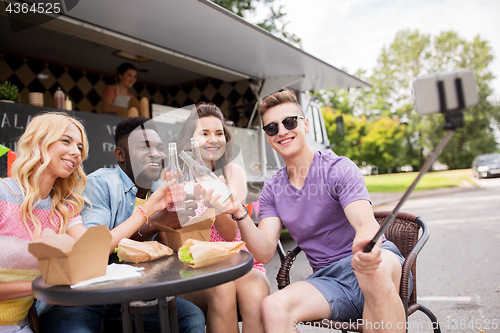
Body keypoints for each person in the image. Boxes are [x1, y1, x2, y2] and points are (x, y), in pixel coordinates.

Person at [205, 90, 407, 333]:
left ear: (306, 124)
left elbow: (365, 223)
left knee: (374, 273)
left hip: (374, 260)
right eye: (271, 128)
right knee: (272, 306)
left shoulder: (338, 168)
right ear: (268, 137)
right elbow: (265, 251)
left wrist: (365, 245)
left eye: (289, 122)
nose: (281, 131)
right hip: (329, 281)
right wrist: (239, 212)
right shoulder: (272, 189)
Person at [38, 117, 205, 333]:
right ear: (121, 155)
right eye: (143, 146)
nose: (156, 153)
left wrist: (178, 222)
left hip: (133, 293)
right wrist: (153, 222)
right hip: (84, 297)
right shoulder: (100, 184)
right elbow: (93, 252)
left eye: (160, 148)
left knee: (191, 317)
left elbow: (170, 254)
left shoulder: (162, 191)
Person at [175, 103, 270, 333]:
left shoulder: (232, 173)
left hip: (235, 263)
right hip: (193, 269)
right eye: (204, 133)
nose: (213, 139)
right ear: (189, 141)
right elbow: (172, 238)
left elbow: (229, 234)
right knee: (222, 287)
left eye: (219, 133)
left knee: (255, 287)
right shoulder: (176, 178)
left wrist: (214, 200)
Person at [0, 112, 90, 333]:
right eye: (66, 141)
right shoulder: (3, 194)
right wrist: (43, 286)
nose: (75, 152)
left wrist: (149, 210)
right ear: (38, 143)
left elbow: (91, 252)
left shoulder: (63, 208)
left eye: (79, 147)